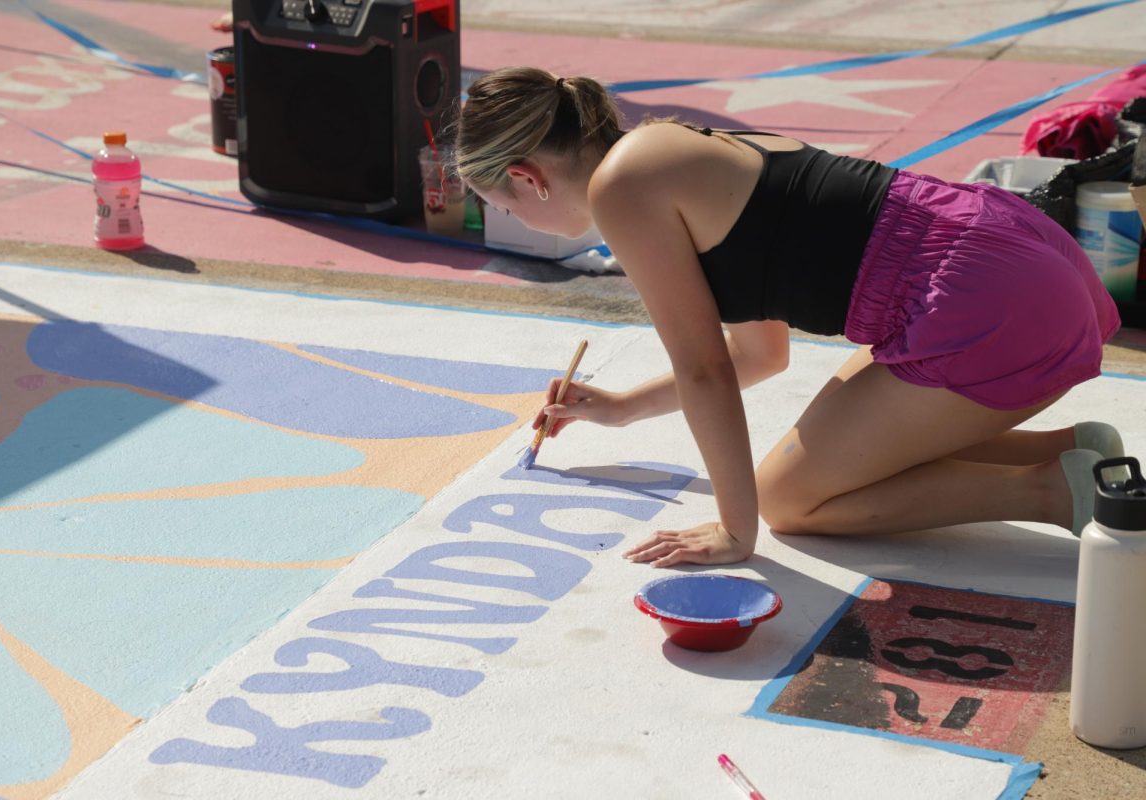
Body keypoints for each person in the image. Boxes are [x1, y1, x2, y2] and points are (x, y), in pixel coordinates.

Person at [452, 66, 1124, 569]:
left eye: (506, 208)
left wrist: (734, 530)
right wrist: (622, 408)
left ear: (528, 177)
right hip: (997, 261)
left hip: (980, 299)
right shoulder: (663, 148)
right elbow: (757, 355)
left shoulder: (621, 188)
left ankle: (1053, 494)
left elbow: (703, 370)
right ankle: (1071, 452)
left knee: (789, 501)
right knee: (826, 469)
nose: (519, 222)